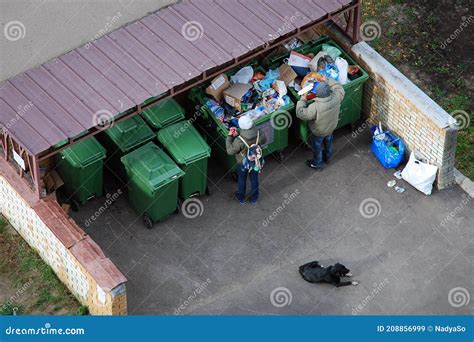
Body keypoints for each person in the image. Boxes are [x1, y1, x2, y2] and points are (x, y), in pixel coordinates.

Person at [296, 78, 345, 170]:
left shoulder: (315, 107)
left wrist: (302, 101)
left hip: (319, 131)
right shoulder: (336, 97)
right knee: (329, 141)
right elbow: (339, 88)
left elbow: (300, 113)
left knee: (317, 146)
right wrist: (327, 80)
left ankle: (317, 163)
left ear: (317, 94)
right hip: (331, 127)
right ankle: (327, 157)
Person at [226, 116, 266, 205]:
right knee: (254, 179)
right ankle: (254, 198)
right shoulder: (259, 132)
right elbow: (264, 140)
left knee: (242, 179)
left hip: (243, 163)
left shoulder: (239, 141)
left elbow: (229, 151)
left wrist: (229, 136)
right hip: (256, 161)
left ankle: (241, 198)